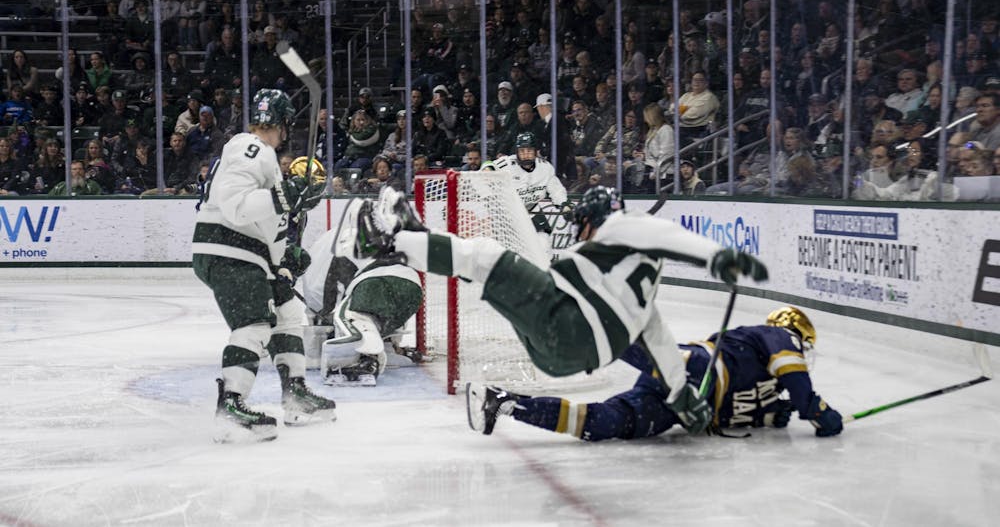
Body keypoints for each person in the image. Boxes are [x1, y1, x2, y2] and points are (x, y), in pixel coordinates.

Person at [356, 186, 770, 435]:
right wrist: (683, 400)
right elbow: (663, 348)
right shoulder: (643, 302)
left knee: (486, 255)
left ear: (594, 219)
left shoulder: (621, 226)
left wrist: (718, 256)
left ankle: (391, 241)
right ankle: (417, 240)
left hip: (565, 325)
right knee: (489, 272)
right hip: (562, 358)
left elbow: (662, 233)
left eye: (583, 224)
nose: (581, 233)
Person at [192, 88, 335, 443]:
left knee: (287, 311)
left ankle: (295, 395)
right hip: (229, 249)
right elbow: (236, 205)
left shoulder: (265, 159)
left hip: (250, 254)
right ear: (284, 124)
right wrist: (285, 196)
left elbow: (267, 225)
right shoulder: (250, 146)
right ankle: (231, 407)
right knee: (254, 323)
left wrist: (285, 263)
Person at [468, 307, 843, 440]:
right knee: (646, 355)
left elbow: (728, 414)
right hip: (698, 368)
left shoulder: (770, 393)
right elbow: (795, 377)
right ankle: (582, 327)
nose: (801, 353)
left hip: (681, 407)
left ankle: (507, 404)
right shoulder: (777, 336)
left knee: (605, 424)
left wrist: (768, 414)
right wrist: (814, 407)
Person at [301, 199, 424, 386]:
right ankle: (386, 345)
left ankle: (366, 355)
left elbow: (330, 283)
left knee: (347, 316)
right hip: (413, 287)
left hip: (375, 282)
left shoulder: (343, 239)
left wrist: (326, 312)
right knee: (378, 316)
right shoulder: (384, 234)